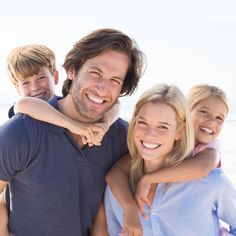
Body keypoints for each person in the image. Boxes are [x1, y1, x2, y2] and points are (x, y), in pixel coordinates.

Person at [0, 28, 145, 236]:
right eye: (95, 74)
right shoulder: (21, 132)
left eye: (115, 80)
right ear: (72, 70)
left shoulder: (123, 137)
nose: (102, 89)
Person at [104, 83, 236, 236]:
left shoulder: (211, 177)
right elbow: (116, 172)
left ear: (180, 130)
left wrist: (147, 180)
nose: (150, 134)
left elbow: (203, 167)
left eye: (163, 126)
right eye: (143, 122)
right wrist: (129, 206)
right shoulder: (119, 190)